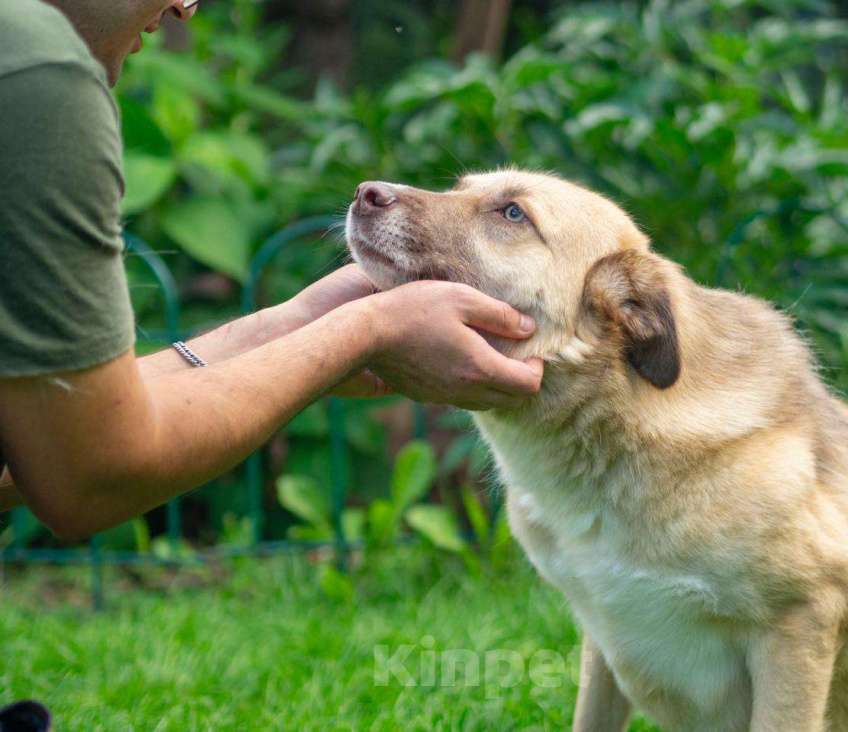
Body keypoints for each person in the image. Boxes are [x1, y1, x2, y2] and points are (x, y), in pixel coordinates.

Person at [0, 0, 544, 541]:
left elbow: (52, 437)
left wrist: (296, 320)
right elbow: (91, 474)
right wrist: (370, 330)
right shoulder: (35, 70)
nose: (186, 8)